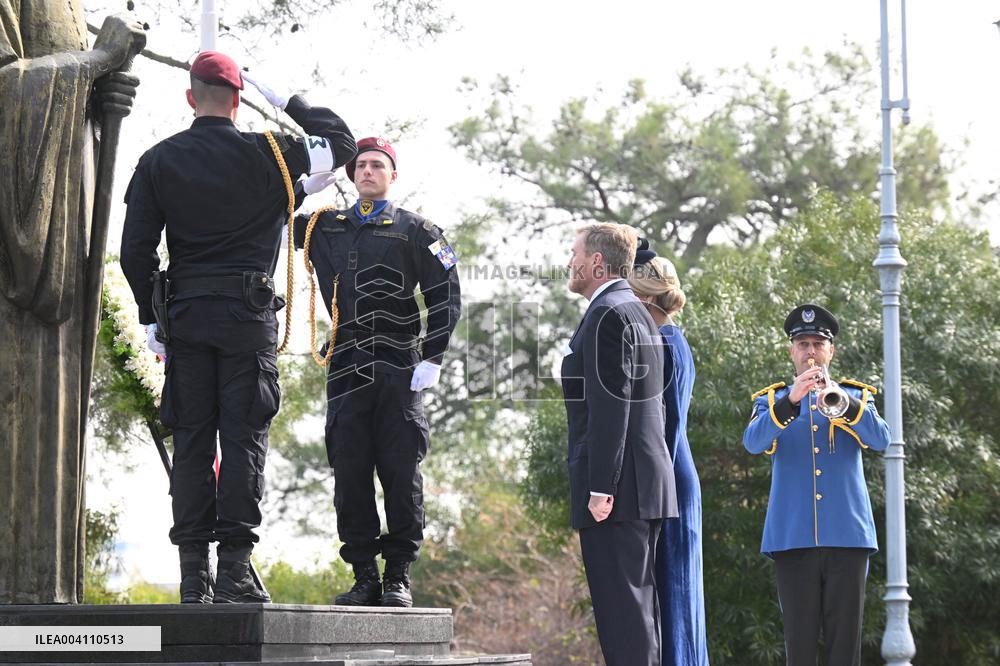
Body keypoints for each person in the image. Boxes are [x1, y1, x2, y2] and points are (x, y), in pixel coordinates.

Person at [119, 50, 356, 604]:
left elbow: (135, 253)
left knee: (194, 443)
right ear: (239, 98)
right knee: (244, 439)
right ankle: (234, 571)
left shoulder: (158, 160)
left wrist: (151, 315)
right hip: (247, 321)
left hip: (188, 320)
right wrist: (285, 100)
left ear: (189, 96)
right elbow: (342, 144)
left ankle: (191, 577)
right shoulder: (273, 154)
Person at [0, 4, 144, 603]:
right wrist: (93, 62)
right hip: (17, 261)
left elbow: (53, 86)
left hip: (65, 213)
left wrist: (101, 96)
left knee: (50, 421)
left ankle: (44, 602)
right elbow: (9, 87)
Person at [291, 136, 461, 607]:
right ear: (351, 175)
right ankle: (364, 575)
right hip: (345, 362)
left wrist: (433, 355)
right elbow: (272, 212)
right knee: (349, 469)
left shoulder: (417, 230)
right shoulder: (323, 228)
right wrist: (305, 186)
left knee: (401, 470)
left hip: (398, 363)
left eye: (377, 165)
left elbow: (446, 294)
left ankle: (398, 576)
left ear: (392, 175)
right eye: (360, 165)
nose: (367, 171)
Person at [743, 303, 891, 665]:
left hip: (848, 537)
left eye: (817, 344)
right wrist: (790, 403)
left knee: (845, 649)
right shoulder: (771, 401)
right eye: (803, 344)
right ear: (792, 351)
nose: (811, 351)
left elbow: (882, 439)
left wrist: (843, 401)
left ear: (831, 350)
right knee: (800, 646)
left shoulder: (855, 397)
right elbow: (753, 442)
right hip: (793, 538)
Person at [561, 223, 677, 666]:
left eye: (574, 253)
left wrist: (601, 487)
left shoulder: (608, 313)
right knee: (639, 618)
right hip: (642, 485)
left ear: (595, 262)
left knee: (624, 622)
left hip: (619, 492)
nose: (569, 262)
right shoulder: (634, 311)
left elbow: (612, 405)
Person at [627, 244, 709, 666]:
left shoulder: (663, 341)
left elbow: (666, 428)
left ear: (644, 297)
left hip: (671, 476)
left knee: (675, 594)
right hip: (675, 472)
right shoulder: (671, 337)